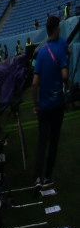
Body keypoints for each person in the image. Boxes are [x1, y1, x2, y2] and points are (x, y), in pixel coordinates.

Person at [34, 15, 70, 187]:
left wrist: (35, 105)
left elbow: (35, 83)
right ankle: (48, 176)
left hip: (43, 106)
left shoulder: (41, 52)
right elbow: (64, 75)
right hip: (57, 104)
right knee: (54, 141)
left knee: (42, 141)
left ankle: (37, 177)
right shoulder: (62, 45)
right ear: (56, 29)